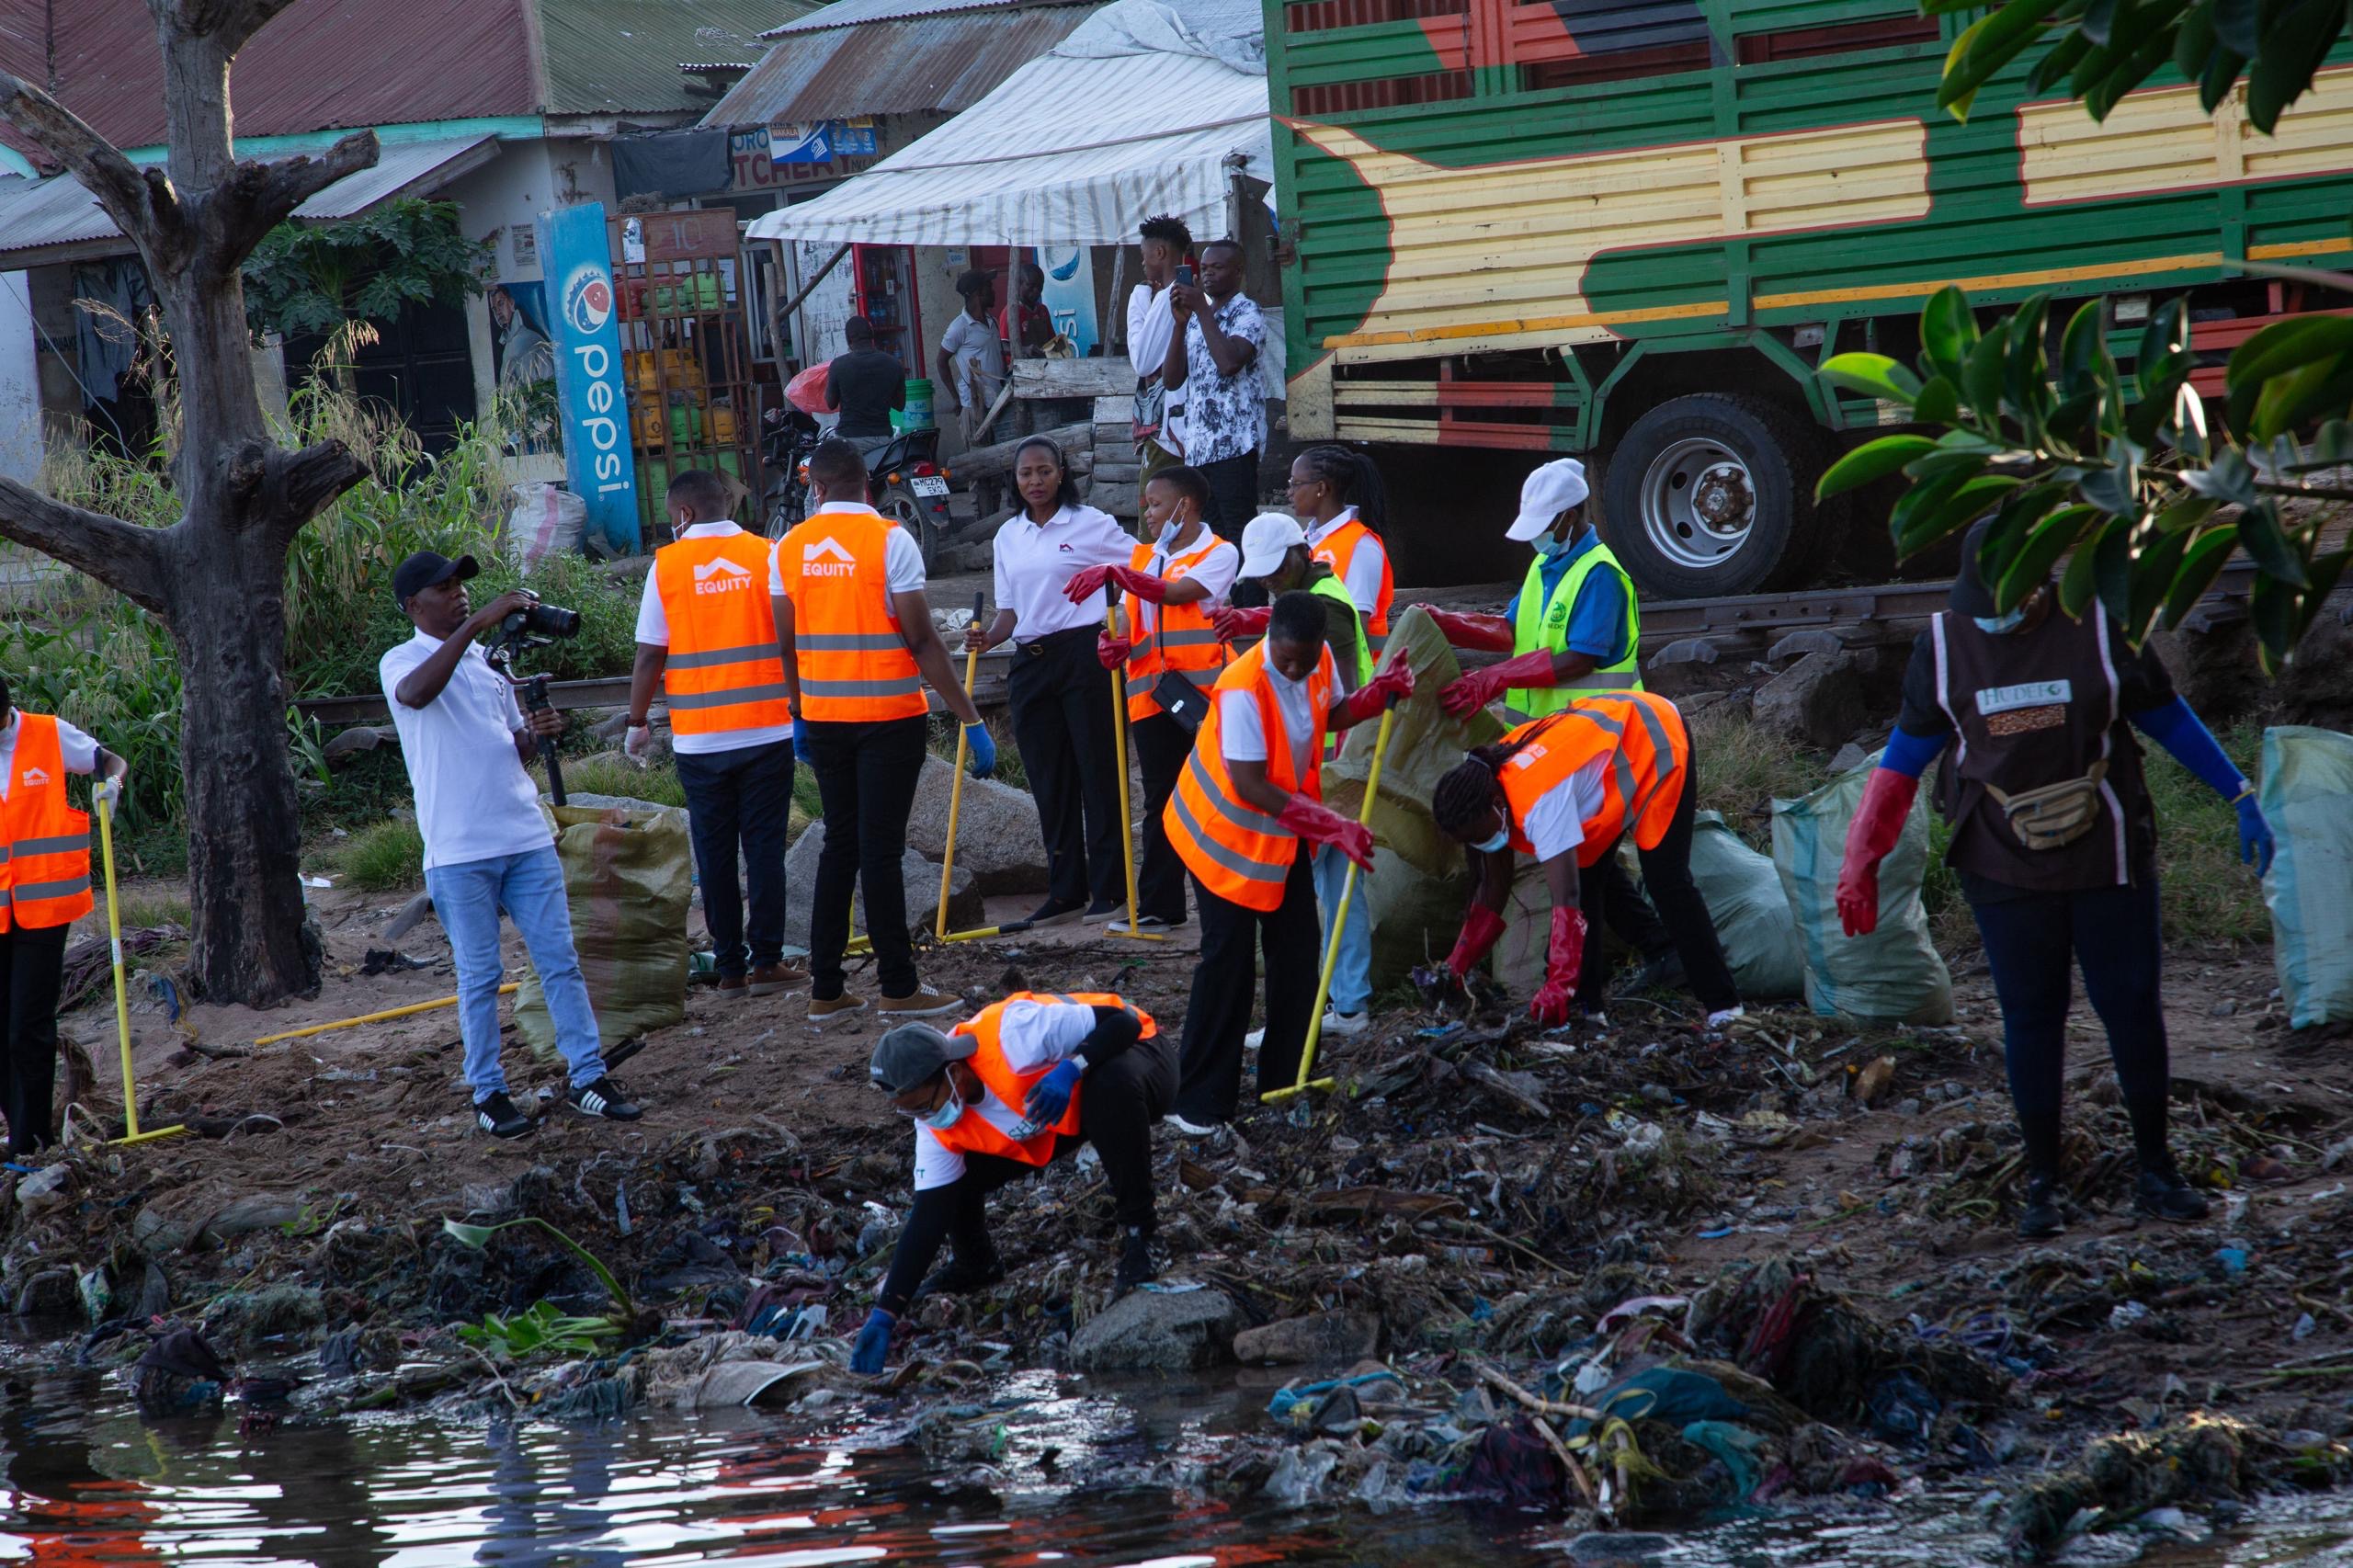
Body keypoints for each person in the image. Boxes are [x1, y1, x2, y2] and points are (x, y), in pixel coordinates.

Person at [1837, 518, 2271, 1240]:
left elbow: (2167, 719)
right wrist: (1861, 859)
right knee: (2030, 1017)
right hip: (1999, 861)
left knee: (2130, 1005)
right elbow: (1901, 765)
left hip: (2108, 854)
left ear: (2041, 581)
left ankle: (2156, 1172)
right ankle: (2043, 1182)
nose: (1996, 617)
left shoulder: (2101, 629)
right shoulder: (1943, 649)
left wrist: (2238, 793)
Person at [381, 551, 641, 1136]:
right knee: (479, 975)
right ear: (414, 606)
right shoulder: (402, 659)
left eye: (462, 588)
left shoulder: (487, 663)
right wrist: (476, 626)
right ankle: (489, 1093)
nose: (459, 595)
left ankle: (587, 1076)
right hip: (458, 848)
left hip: (524, 835)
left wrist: (535, 735)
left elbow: (510, 746)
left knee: (560, 962)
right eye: (444, 589)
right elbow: (417, 696)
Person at [1165, 591, 1415, 1133]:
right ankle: (1199, 1103)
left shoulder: (1317, 659)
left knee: (1298, 960)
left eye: (1305, 657)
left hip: (1283, 838)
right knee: (1227, 966)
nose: (1296, 669)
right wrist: (1336, 827)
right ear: (1269, 640)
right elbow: (1252, 785)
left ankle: (1284, 1081)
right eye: (1286, 660)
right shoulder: (1242, 688)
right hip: (1222, 840)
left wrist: (1380, 694)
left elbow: (1332, 714)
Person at [1436, 457, 1683, 994]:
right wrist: (1445, 622)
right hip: (1548, 748)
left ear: (1571, 517)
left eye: (1545, 528)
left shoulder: (1599, 573)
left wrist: (1494, 681)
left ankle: (1585, 983)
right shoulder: (1545, 567)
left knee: (1591, 871)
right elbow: (1510, 630)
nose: (1537, 540)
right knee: (1594, 869)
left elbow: (1582, 657)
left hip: (1603, 742)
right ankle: (1650, 955)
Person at [773, 439, 998, 1022]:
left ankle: (826, 990)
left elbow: (787, 646)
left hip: (824, 721)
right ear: (866, 487)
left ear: (815, 489)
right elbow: (922, 641)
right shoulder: (891, 540)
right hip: (890, 720)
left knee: (839, 847)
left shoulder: (788, 549)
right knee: (880, 851)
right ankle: (898, 986)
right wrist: (970, 717)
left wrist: (798, 713)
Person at [848, 991, 1176, 1372]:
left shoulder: (1014, 1036)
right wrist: (886, 1313)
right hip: (1057, 1113)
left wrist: (1072, 1068)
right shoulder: (933, 1126)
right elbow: (927, 1217)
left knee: (1109, 1085)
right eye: (912, 1113)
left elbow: (1123, 1023)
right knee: (952, 1180)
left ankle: (1142, 1234)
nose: (923, 1118)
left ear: (953, 1072)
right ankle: (976, 1263)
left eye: (924, 1106)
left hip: (1142, 1058)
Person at [1429, 692, 1743, 1032]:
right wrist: (1456, 965)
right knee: (1590, 875)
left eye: (1478, 835)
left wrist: (1558, 982)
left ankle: (1724, 1006)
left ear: (1494, 804)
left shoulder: (1539, 803)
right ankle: (1586, 1009)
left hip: (1654, 736)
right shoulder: (1490, 786)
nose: (1479, 845)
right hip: (1607, 748)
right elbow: (1494, 885)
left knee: (1667, 881)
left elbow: (1567, 899)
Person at [626, 470, 801, 1001]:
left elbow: (651, 653)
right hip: (769, 730)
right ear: (725, 504)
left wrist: (636, 723)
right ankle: (768, 963)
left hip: (701, 741)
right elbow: (793, 635)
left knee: (716, 855)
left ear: (682, 515)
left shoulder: (668, 566)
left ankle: (730, 971)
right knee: (766, 850)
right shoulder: (768, 553)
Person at [1211, 514, 1376, 1037]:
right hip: (1310, 773)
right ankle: (1344, 1003)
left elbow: (1334, 701)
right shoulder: (1296, 607)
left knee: (1325, 888)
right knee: (1326, 888)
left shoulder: (1322, 611)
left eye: (1276, 568)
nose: (1269, 579)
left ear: (1301, 552)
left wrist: (1329, 808)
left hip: (1329, 767)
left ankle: (1342, 1003)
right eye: (1261, 575)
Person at [969, 437, 1139, 925]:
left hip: (1085, 655)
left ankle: (1111, 889)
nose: (1035, 482)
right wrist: (988, 639)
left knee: (1098, 771)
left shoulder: (1093, 526)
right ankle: (1065, 891)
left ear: (1062, 472)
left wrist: (1122, 622)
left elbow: (1141, 568)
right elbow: (1011, 612)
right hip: (1030, 661)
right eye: (1026, 474)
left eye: (1044, 471)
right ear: (1015, 479)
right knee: (1049, 779)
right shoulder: (1008, 536)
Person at [1072, 464, 1239, 932]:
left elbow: (1177, 594)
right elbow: (1128, 619)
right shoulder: (1144, 556)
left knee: (1213, 799)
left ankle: (1226, 903)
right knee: (1159, 802)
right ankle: (1160, 908)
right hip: (1149, 696)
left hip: (1205, 698)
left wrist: (1119, 574)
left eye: (1156, 504)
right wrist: (1114, 643)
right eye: (1146, 504)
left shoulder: (1220, 553)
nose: (1146, 514)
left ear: (1184, 507)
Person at [0, 676, 125, 1157]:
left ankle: (33, 1141)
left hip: (45, 905)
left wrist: (110, 784)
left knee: (26, 1027)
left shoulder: (49, 734)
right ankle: (20, 1128)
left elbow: (110, 760)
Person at [1162, 238, 1267, 540]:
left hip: (1234, 443)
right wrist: (1180, 324)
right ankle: (1224, 591)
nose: (1207, 274)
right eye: (1204, 268)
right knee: (1212, 536)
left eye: (1217, 268)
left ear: (1238, 271)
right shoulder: (1195, 319)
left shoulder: (1249, 313)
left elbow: (1229, 363)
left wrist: (1202, 312)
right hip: (1198, 448)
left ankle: (1250, 590)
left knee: (1239, 531)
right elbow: (1171, 380)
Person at [1291, 446, 1394, 662]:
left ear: (1321, 488)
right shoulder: (1307, 539)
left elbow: (1357, 628)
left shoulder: (1361, 545)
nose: (1290, 491)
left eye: (1296, 483)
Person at [1128, 215, 1192, 483]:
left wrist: (1138, 298)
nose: (1142, 263)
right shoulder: (1191, 292)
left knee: (1154, 517)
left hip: (1169, 432)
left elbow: (1142, 361)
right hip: (1189, 427)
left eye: (1144, 255)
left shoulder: (1169, 297)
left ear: (1159, 252)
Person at [937, 269, 1006, 445]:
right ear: (978, 293)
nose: (994, 291)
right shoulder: (959, 327)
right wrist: (956, 398)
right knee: (980, 456)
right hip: (975, 406)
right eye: (989, 287)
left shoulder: (993, 322)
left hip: (998, 402)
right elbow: (941, 361)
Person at [824, 315, 905, 457]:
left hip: (849, 440)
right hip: (883, 439)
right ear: (872, 336)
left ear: (848, 339)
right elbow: (900, 405)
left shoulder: (838, 365)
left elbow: (830, 404)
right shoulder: (893, 363)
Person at [488, 285, 552, 392]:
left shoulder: (531, 339)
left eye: (501, 304)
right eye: (494, 309)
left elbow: (549, 383)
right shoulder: (507, 344)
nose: (498, 312)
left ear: (511, 303)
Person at [1001, 262, 1054, 359]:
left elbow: (1052, 340)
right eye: (1031, 286)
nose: (1036, 290)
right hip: (1020, 369)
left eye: (1040, 286)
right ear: (1019, 284)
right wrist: (1024, 349)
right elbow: (1003, 346)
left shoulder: (1043, 310)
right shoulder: (1011, 312)